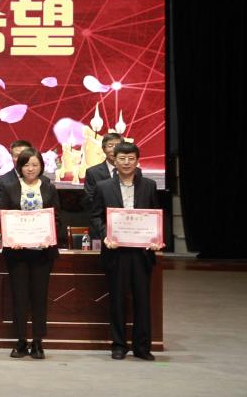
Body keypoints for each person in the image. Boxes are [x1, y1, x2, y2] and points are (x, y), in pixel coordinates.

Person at [90, 141, 162, 361]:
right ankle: (119, 345)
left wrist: (156, 238)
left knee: (143, 300)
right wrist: (106, 236)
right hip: (116, 252)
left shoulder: (149, 185)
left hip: (142, 253)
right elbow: (95, 217)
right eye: (122, 158)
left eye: (131, 158)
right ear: (114, 160)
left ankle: (142, 347)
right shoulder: (103, 186)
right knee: (117, 300)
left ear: (137, 161)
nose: (127, 162)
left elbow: (156, 215)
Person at [0, 148, 63, 359]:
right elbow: (2, 217)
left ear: (41, 166)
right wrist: (10, 238)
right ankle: (20, 341)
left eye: (35, 165)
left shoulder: (49, 188)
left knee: (39, 297)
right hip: (17, 253)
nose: (31, 169)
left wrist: (49, 236)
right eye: (26, 165)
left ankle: (38, 341)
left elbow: (57, 218)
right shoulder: (10, 188)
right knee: (19, 297)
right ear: (19, 167)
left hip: (42, 253)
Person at [83, 132, 125, 211]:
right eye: (110, 146)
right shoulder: (92, 172)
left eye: (118, 146)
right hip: (103, 215)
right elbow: (90, 199)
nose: (114, 149)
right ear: (103, 149)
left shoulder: (132, 171)